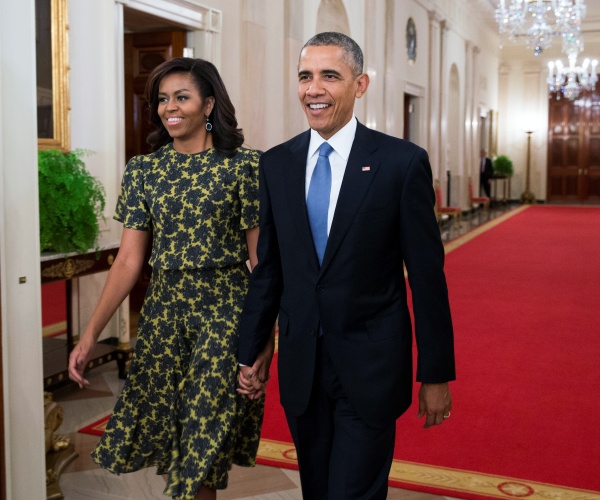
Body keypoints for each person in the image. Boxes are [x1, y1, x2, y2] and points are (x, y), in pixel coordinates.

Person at [236, 32, 456, 499]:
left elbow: (427, 278)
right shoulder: (276, 164)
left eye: (329, 76)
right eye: (305, 76)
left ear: (360, 85)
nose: (313, 89)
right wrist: (252, 348)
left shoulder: (400, 163)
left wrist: (435, 372)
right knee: (317, 489)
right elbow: (269, 267)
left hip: (371, 367)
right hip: (302, 368)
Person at [68, 57, 274, 500]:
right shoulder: (144, 171)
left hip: (225, 314)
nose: (169, 107)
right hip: (163, 318)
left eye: (181, 97)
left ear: (209, 104)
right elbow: (127, 262)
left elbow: (262, 264)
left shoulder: (245, 166)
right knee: (173, 441)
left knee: (202, 441)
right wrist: (90, 335)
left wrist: (265, 340)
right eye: (162, 99)